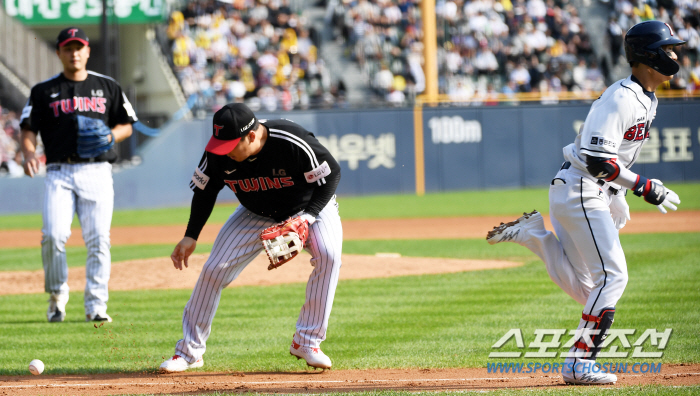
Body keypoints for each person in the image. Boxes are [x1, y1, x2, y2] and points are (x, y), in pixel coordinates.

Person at [486, 20, 685, 385]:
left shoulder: (646, 97)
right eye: (669, 48)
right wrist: (642, 186)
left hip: (586, 190)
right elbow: (597, 160)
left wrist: (620, 192)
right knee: (614, 276)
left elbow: (613, 159)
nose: (675, 54)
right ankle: (579, 362)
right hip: (581, 188)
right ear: (649, 56)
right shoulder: (621, 97)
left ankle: (535, 236)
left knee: (588, 287)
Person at [159, 103, 342, 373]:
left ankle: (307, 342)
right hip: (255, 212)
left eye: (232, 145)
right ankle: (188, 352)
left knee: (328, 255)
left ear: (252, 136)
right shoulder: (218, 151)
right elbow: (205, 192)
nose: (225, 152)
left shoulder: (291, 140)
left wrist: (308, 217)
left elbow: (332, 174)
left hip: (309, 207)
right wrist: (191, 235)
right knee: (213, 270)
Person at [20, 27, 138, 323]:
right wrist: (29, 152)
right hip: (59, 171)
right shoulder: (43, 91)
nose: (74, 53)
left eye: (79, 47)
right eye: (68, 48)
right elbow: (28, 128)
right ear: (59, 52)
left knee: (99, 239)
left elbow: (126, 124)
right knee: (53, 236)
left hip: (97, 170)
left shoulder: (108, 86)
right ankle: (57, 296)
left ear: (87, 51)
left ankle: (96, 305)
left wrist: (111, 137)